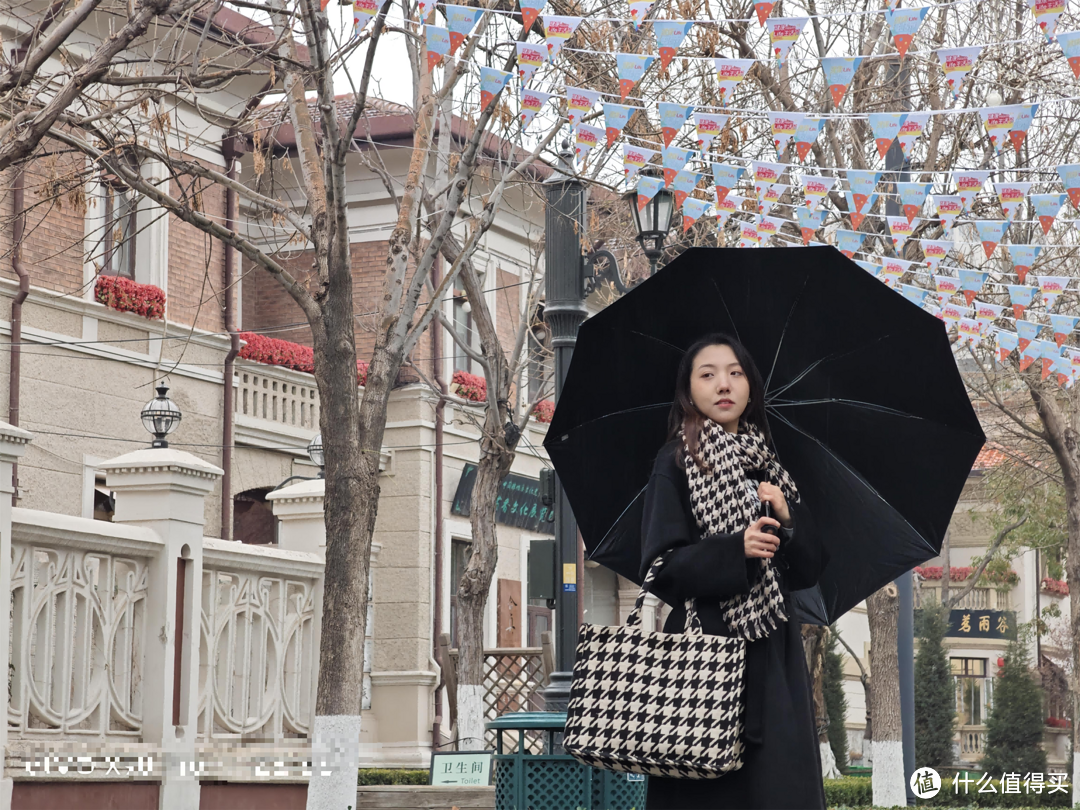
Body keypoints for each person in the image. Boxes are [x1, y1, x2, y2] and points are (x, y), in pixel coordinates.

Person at [640, 331, 831, 810]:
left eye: (735, 373)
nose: (723, 384)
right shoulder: (675, 462)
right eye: (708, 375)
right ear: (689, 391)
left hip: (772, 655)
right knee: (708, 790)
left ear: (750, 387)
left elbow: (808, 571)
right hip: (703, 652)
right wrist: (735, 549)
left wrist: (788, 517)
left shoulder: (768, 466)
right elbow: (661, 568)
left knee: (778, 790)